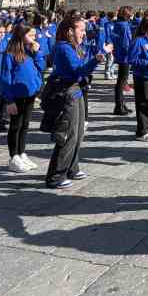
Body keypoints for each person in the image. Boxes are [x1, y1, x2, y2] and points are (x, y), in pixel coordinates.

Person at [42, 14, 107, 187]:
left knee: (78, 132)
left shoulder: (73, 46)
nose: (84, 34)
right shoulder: (63, 48)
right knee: (68, 134)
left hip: (76, 91)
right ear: (70, 31)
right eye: (81, 30)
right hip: (67, 91)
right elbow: (79, 71)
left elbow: (81, 64)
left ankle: (72, 167)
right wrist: (97, 59)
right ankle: (56, 175)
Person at [0, 23, 47, 173]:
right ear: (21, 35)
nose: (34, 38)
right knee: (15, 126)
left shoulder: (31, 50)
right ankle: (14, 157)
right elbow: (5, 77)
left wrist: (38, 52)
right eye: (30, 35)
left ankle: (22, 152)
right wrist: (9, 99)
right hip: (16, 94)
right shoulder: (10, 53)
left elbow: (41, 67)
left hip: (30, 92)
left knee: (25, 125)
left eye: (34, 35)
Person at [112, 6, 135, 116]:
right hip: (125, 56)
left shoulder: (117, 24)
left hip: (119, 55)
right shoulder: (124, 26)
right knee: (122, 82)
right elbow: (126, 43)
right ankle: (119, 106)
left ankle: (121, 104)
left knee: (121, 81)